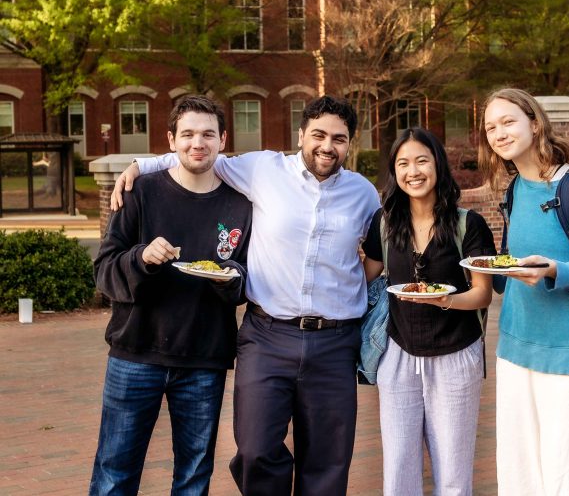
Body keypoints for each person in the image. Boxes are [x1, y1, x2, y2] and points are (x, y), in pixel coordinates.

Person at [110, 95, 381, 496]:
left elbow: (375, 257)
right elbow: (198, 154)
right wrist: (138, 165)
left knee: (327, 459)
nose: (327, 146)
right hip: (268, 335)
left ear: (349, 143)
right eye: (318, 134)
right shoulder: (263, 169)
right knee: (255, 451)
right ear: (301, 134)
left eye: (338, 139)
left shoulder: (364, 193)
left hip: (335, 341)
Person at [90, 95, 252, 495]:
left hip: (204, 360)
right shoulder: (140, 192)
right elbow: (104, 272)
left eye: (208, 134)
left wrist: (229, 279)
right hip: (135, 354)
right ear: (171, 140)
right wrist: (142, 258)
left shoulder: (242, 206)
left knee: (194, 480)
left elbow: (244, 280)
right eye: (188, 134)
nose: (198, 143)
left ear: (223, 139)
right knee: (114, 474)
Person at [478, 87, 569, 496]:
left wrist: (556, 270)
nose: (499, 133)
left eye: (508, 121)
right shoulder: (513, 190)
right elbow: (510, 274)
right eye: (491, 126)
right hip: (516, 352)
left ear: (535, 122)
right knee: (520, 478)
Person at [362, 127, 495, 496]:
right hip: (399, 354)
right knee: (399, 467)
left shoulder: (468, 224)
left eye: (422, 160)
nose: (413, 171)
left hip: (456, 355)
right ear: (394, 172)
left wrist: (445, 300)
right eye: (403, 163)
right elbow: (364, 278)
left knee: (453, 469)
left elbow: (482, 295)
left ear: (437, 164)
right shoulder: (386, 224)